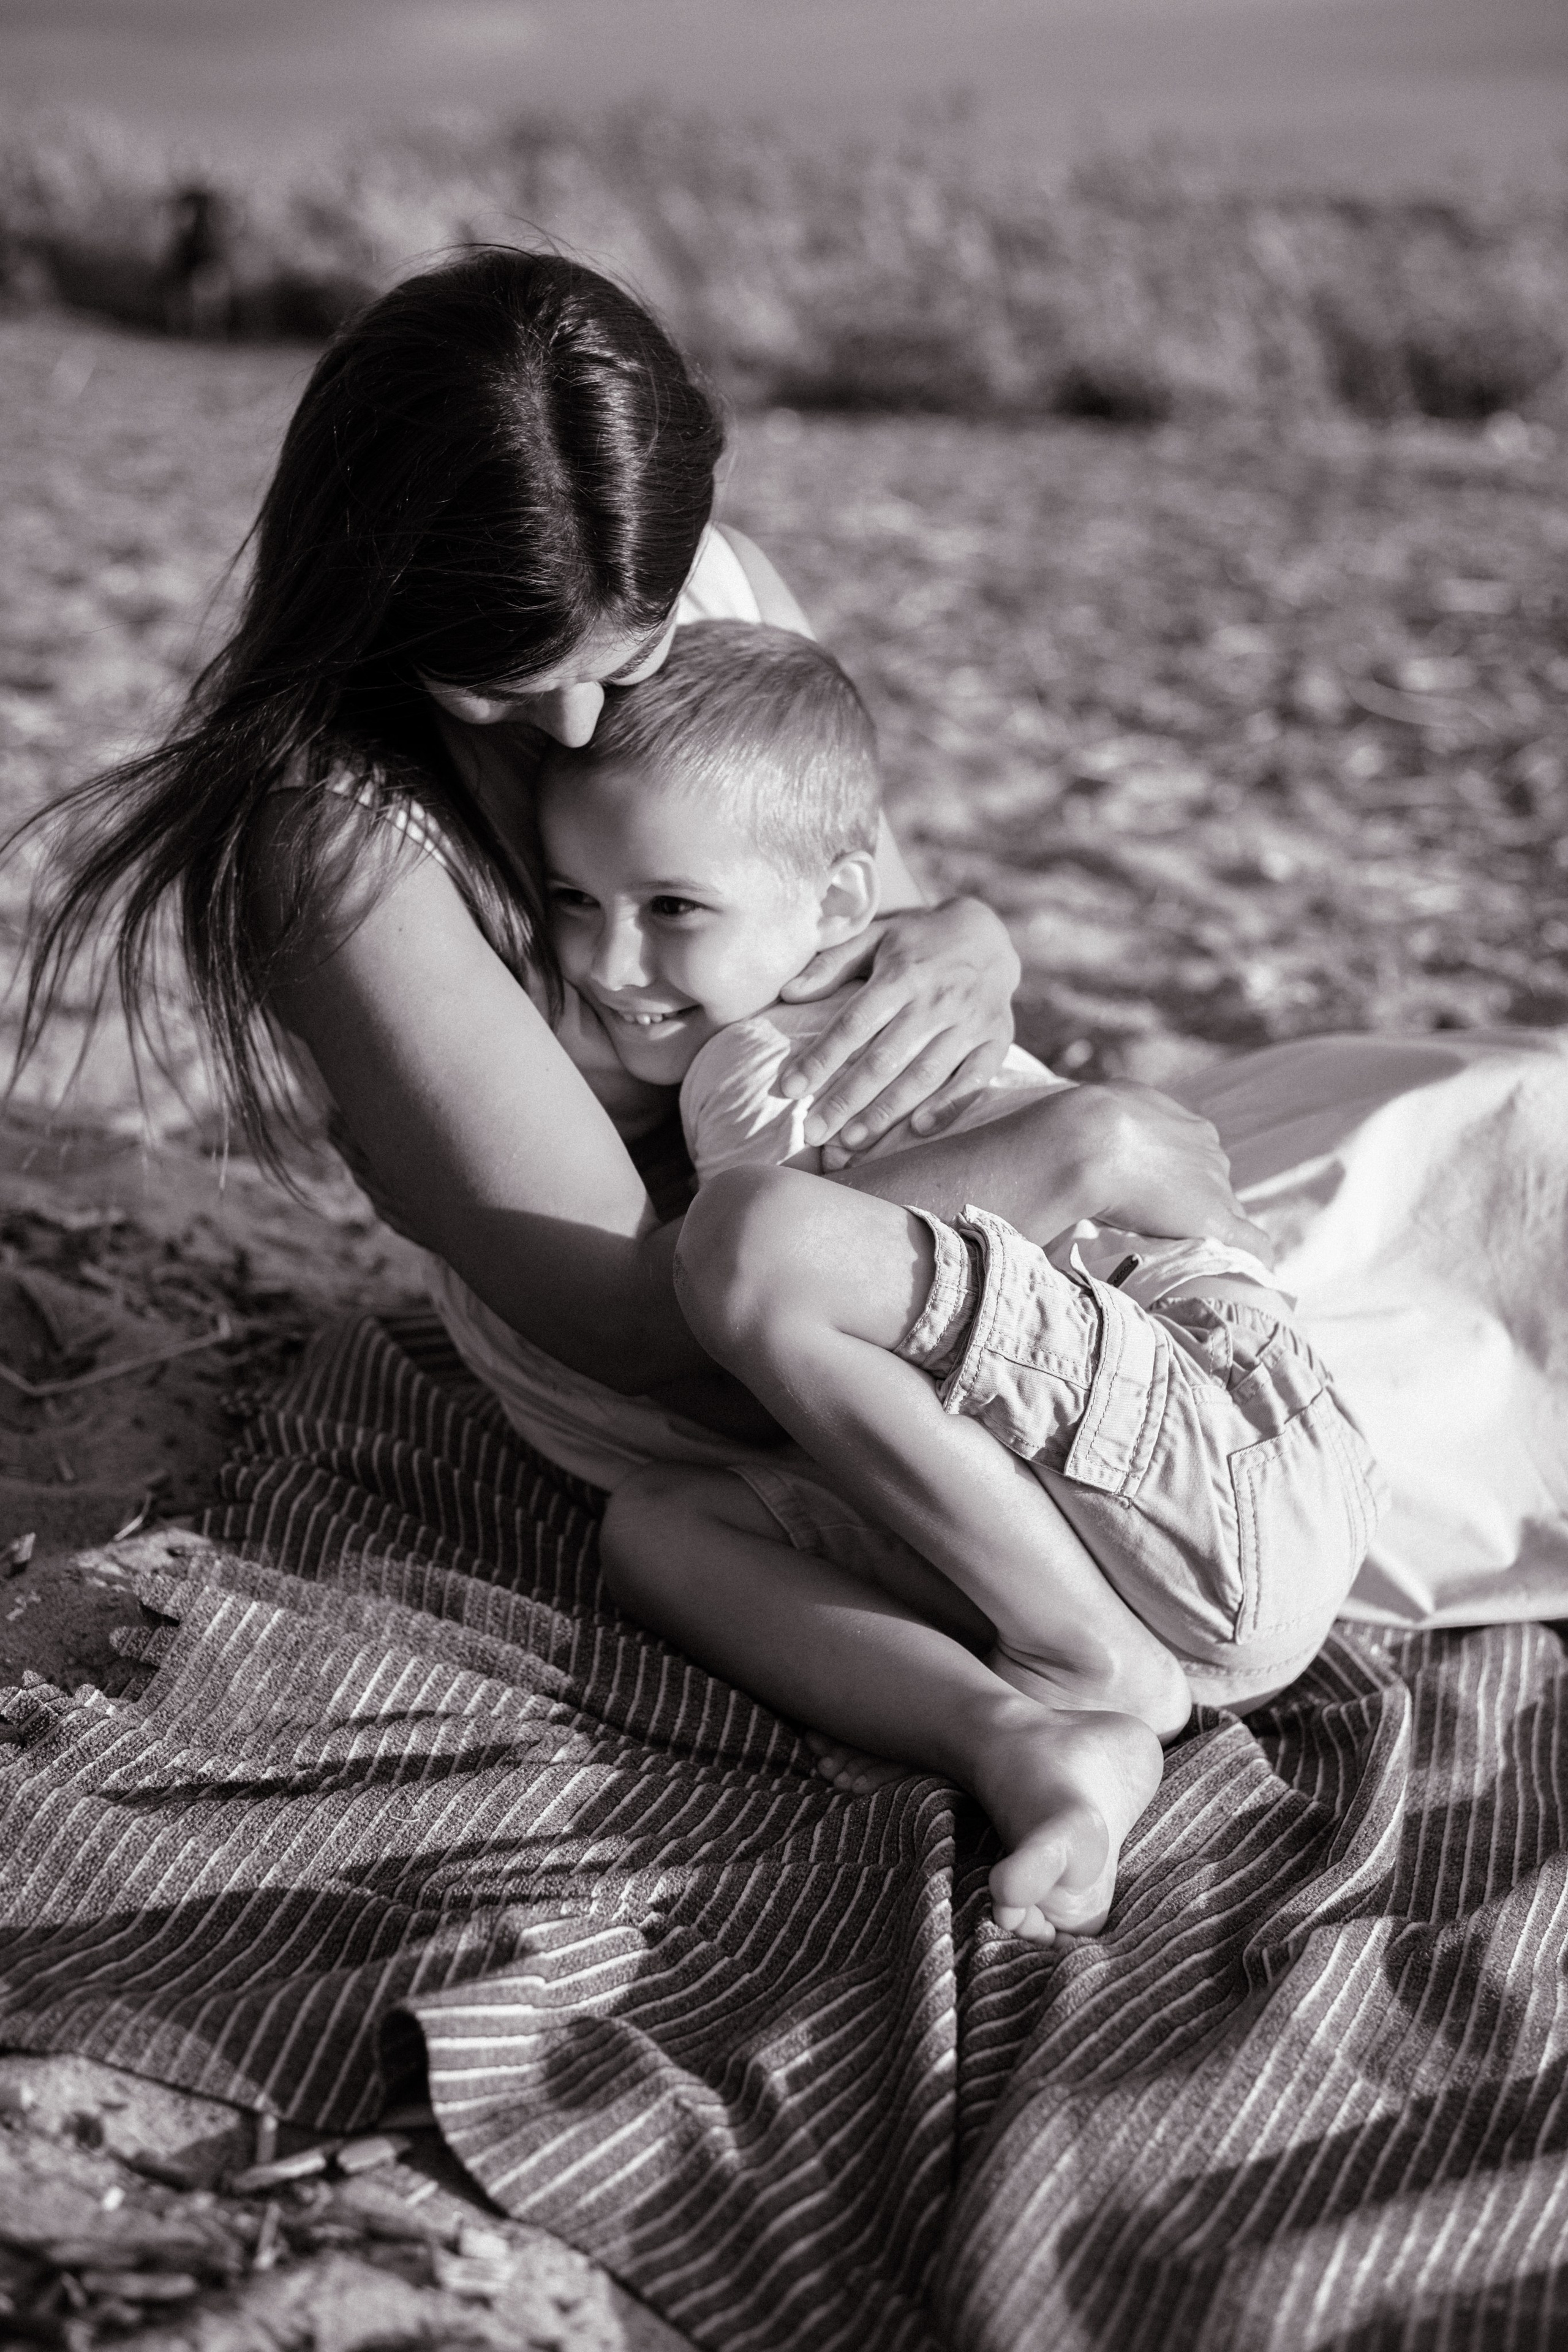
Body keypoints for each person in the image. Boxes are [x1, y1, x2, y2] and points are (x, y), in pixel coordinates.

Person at [12, 243, 1263, 1550]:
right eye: (497, 678)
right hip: (743, 1379)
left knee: (1471, 1126)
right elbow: (630, 1324)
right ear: (370, 596)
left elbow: (857, 924)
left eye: (637, 652)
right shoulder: (343, 844)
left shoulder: (719, 585)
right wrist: (1074, 1153)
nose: (571, 727)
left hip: (928, 1216)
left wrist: (967, 942)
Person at [478, 617, 1375, 1943]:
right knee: (660, 1527)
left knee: (749, 1243)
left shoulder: (761, 1057)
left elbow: (766, 1279)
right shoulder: (823, 992)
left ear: (835, 905)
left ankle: (1079, 1661)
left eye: (671, 909)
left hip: (1208, 1440)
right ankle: (1024, 1740)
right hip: (1141, 1528)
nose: (610, 967)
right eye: (570, 903)